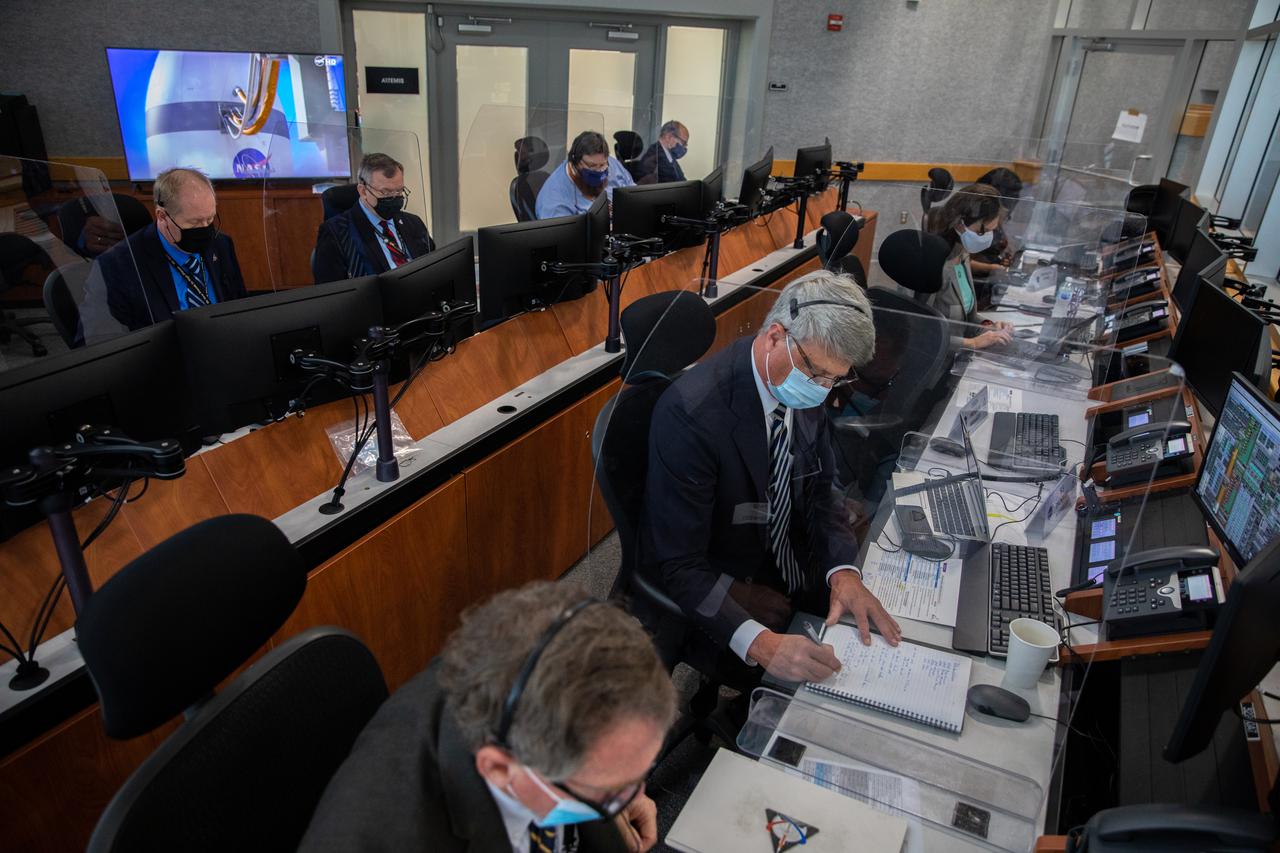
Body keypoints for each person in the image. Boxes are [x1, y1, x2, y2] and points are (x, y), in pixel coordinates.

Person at [639, 271, 903, 688]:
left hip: (792, 562)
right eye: (816, 374)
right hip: (726, 583)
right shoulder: (692, 416)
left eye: (836, 378)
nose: (823, 391)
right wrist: (761, 644)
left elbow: (820, 491)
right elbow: (681, 564)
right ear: (775, 336)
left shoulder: (802, 383)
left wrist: (842, 571)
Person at [298, 581, 675, 853]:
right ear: (498, 768)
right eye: (613, 792)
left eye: (639, 774)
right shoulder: (377, 837)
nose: (635, 799)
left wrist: (619, 789)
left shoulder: (520, 678)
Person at [78, 167, 246, 343]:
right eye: (194, 222)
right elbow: (93, 343)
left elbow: (240, 307)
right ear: (162, 216)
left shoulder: (221, 245)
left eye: (210, 219)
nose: (205, 229)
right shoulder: (117, 265)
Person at [313, 152, 436, 284]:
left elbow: (434, 268)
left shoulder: (413, 223)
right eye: (385, 192)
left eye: (399, 191)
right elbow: (332, 294)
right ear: (363, 191)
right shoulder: (336, 232)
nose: (394, 197)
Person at [925, 184, 1014, 350]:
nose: (989, 237)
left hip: (957, 356)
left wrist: (989, 326)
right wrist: (972, 343)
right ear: (960, 223)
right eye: (984, 231)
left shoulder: (962, 254)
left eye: (992, 231)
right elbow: (919, 331)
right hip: (934, 363)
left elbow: (967, 317)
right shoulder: (931, 265)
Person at [535, 131, 635, 219]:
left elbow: (634, 195)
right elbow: (562, 237)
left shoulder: (611, 164)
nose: (599, 171)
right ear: (575, 161)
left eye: (603, 165)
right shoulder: (554, 199)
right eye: (592, 166)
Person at [969, 167, 1023, 275]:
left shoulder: (995, 216)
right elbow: (959, 261)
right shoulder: (971, 218)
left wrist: (1004, 256)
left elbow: (999, 243)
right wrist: (989, 267)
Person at [635, 121, 688, 185]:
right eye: (683, 143)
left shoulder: (669, 155)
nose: (684, 147)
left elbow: (681, 179)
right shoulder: (654, 156)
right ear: (669, 137)